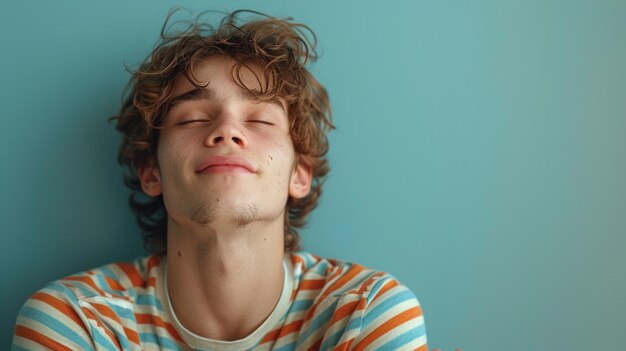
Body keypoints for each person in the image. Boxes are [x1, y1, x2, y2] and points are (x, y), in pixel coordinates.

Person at [12, 9, 428, 351]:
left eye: (261, 119)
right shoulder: (77, 319)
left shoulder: (366, 311)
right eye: (192, 118)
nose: (227, 131)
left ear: (299, 175)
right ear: (151, 172)